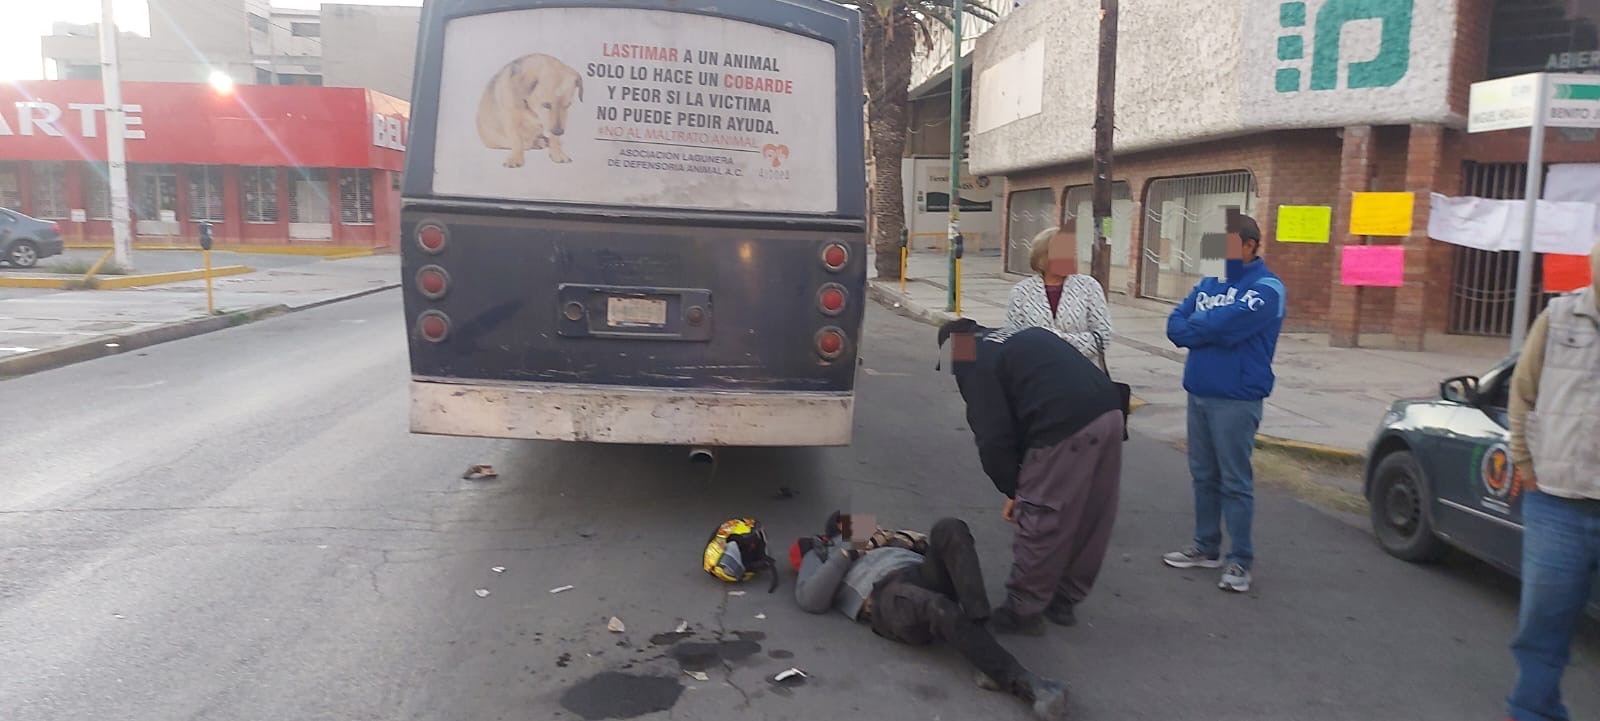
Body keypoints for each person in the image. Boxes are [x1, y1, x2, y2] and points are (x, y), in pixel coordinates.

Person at [939, 319, 1125, 634]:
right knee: (1093, 514)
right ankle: (1064, 600)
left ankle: (1023, 610)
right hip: (1110, 412)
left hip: (1063, 425)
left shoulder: (972, 358)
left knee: (1041, 517)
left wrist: (1015, 491)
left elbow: (993, 437)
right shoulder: (1013, 336)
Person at [793, 515, 1068, 720]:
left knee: (950, 528)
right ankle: (1025, 683)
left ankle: (985, 649)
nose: (861, 526)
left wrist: (910, 540)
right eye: (847, 526)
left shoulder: (878, 535)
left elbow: (943, 556)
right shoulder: (821, 553)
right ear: (831, 536)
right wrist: (848, 550)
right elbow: (810, 599)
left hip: (918, 572)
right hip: (884, 596)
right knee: (936, 606)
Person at [1160, 214, 1284, 594]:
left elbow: (1222, 328)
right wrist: (1205, 325)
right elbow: (1174, 325)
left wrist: (1202, 324)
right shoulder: (1210, 283)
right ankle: (1206, 546)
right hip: (1198, 391)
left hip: (1236, 399)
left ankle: (1240, 561)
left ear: (1249, 244)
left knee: (1234, 481)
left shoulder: (1267, 289)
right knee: (1203, 475)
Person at [1503, 242, 1600, 721]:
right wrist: (1526, 466)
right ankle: (1531, 713)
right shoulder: (1558, 318)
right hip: (1557, 504)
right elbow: (1522, 394)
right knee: (1543, 627)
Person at [1006, 227, 1115, 361]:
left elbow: (1103, 335)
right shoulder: (1021, 291)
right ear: (1044, 257)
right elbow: (1013, 337)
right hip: (1036, 372)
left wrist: (1058, 340)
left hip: (1080, 371)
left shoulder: (1088, 286)